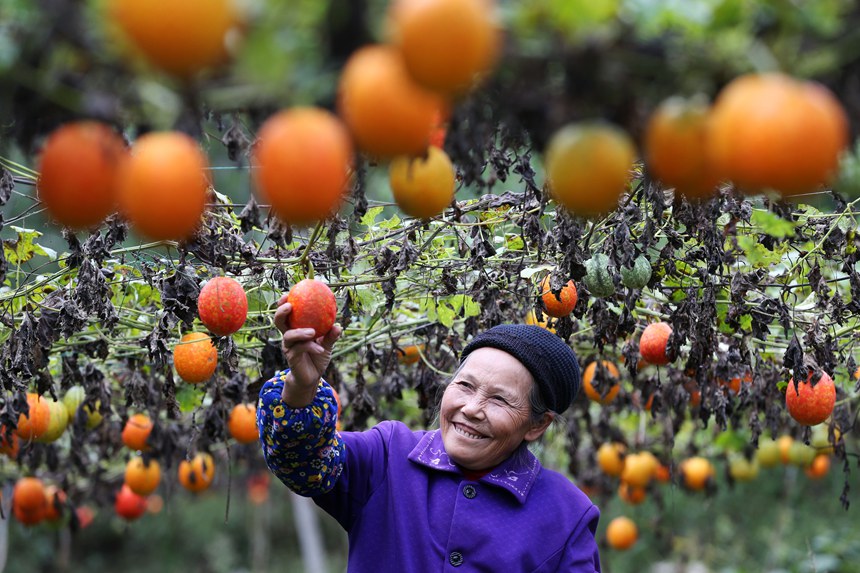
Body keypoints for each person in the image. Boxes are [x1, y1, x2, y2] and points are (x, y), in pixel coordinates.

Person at [257, 299, 602, 572]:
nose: (471, 408)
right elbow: (303, 462)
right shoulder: (389, 456)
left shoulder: (567, 516)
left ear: (537, 425)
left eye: (498, 399)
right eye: (465, 386)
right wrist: (302, 388)